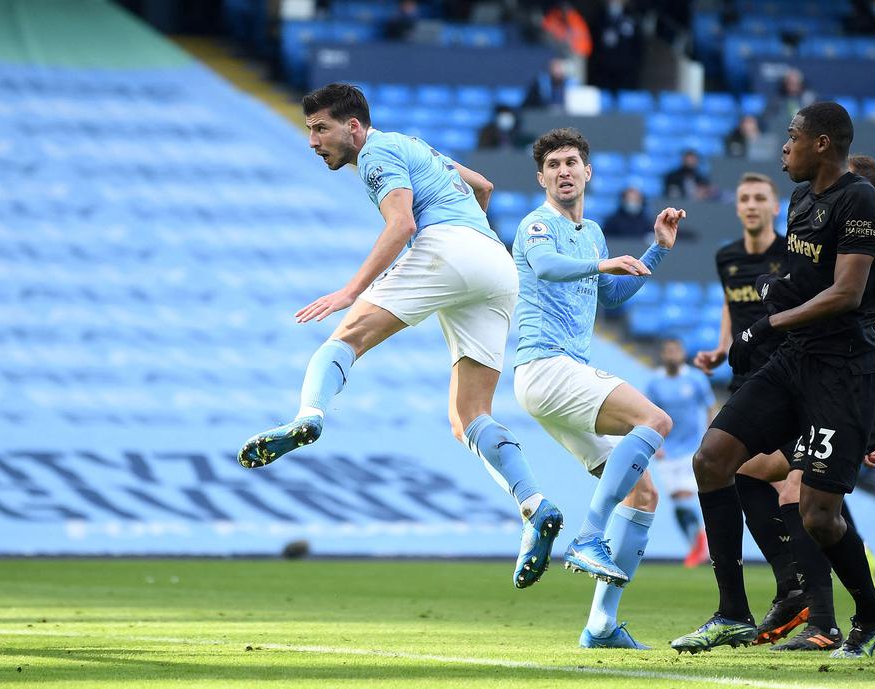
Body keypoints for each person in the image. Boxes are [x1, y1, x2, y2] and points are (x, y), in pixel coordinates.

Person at [237, 83, 565, 592]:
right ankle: (534, 504)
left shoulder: (375, 152)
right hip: (496, 265)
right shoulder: (415, 145)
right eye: (308, 130)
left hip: (447, 248)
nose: (312, 141)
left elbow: (402, 223)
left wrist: (351, 290)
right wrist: (468, 233)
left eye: (320, 128)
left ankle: (309, 417)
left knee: (343, 339)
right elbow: (483, 186)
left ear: (353, 126)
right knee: (469, 417)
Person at [672, 102, 875, 659]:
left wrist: (766, 322)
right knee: (712, 460)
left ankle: (869, 610)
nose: (784, 148)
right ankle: (731, 613)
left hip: (842, 373)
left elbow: (846, 293)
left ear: (822, 143)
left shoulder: (858, 199)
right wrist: (767, 311)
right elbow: (801, 281)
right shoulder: (800, 200)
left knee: (819, 514)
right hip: (794, 360)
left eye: (792, 137)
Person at [512, 127, 686, 649]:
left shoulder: (591, 233)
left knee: (644, 493)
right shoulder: (537, 225)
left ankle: (601, 625)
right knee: (655, 420)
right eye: (554, 165)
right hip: (546, 366)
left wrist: (655, 251)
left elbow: (608, 294)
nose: (564, 171)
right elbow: (547, 268)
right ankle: (589, 534)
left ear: (588, 172)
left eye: (572, 162)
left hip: (563, 376)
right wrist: (602, 262)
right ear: (542, 177)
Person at [693, 172, 814, 649]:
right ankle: (796, 589)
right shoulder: (727, 257)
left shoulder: (789, 255)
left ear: (773, 205)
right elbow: (731, 306)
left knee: (792, 487)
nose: (750, 205)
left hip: (788, 383)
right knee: (744, 477)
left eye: (759, 197)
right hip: (746, 383)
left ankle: (813, 596)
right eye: (743, 197)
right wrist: (722, 348)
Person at [645, 338, 713, 566]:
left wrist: (710, 437)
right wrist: (658, 445)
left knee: (685, 496)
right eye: (668, 350)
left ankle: (700, 541)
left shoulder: (695, 378)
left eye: (675, 350)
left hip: (692, 448)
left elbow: (710, 406)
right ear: (663, 355)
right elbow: (649, 414)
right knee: (677, 500)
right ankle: (696, 544)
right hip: (667, 451)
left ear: (682, 353)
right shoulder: (655, 383)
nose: (672, 354)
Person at [587, 0, 642, 91]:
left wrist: (634, 64)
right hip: (603, 70)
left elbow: (638, 46)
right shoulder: (599, 17)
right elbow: (592, 42)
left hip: (626, 71)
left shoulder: (632, 17)